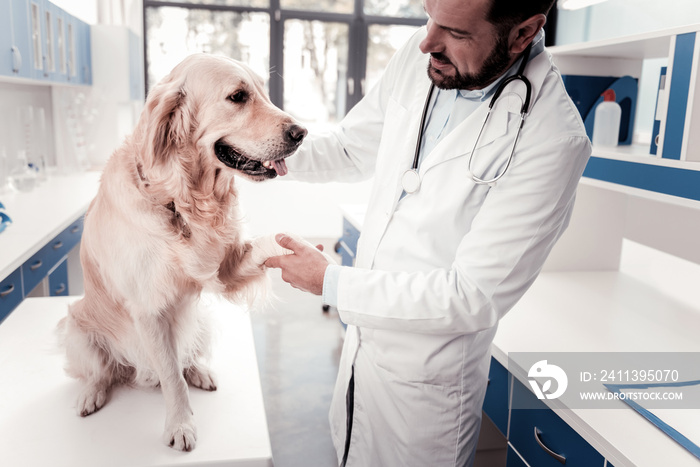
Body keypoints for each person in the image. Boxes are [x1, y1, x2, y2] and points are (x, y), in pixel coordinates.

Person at [265, 0, 592, 465]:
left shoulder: (553, 138)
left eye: (455, 32)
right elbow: (350, 149)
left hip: (425, 392)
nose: (427, 42)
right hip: (362, 359)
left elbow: (470, 296)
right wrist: (262, 152)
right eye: (428, 16)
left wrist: (330, 282)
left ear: (522, 34)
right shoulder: (425, 56)